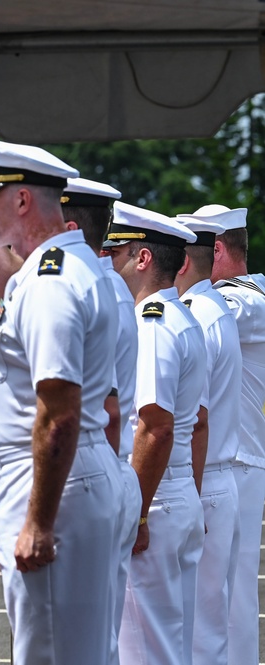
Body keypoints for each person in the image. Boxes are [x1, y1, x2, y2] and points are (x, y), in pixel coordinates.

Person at [0, 137, 121, 665]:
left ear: (24, 201)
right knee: (73, 650)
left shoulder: (49, 283)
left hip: (51, 484)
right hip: (67, 479)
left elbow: (58, 415)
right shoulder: (56, 269)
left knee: (50, 653)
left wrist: (38, 522)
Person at [103, 202, 206, 665]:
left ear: (142, 259)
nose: (106, 260)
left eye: (116, 251)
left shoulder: (154, 324)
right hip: (175, 491)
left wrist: (137, 515)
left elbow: (155, 427)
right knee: (172, 645)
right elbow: (196, 421)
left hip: (155, 498)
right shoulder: (182, 318)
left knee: (143, 650)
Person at [61, 177, 140, 662]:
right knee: (99, 638)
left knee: (79, 640)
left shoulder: (91, 291)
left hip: (93, 469)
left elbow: (107, 412)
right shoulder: (108, 287)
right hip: (109, 470)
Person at [173, 209, 243, 665]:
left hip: (201, 482)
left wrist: (190, 498)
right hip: (219, 479)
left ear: (180, 261)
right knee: (208, 629)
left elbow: (192, 420)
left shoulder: (196, 316)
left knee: (191, 632)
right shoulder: (217, 308)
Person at [204, 204, 265, 665]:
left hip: (242, 462)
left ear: (217, 249)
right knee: (215, 594)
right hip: (230, 459)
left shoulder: (244, 300)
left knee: (233, 597)